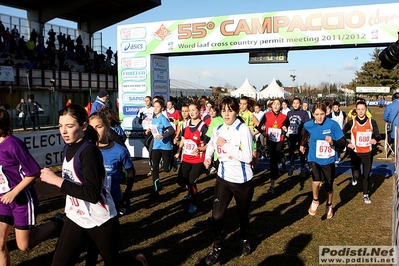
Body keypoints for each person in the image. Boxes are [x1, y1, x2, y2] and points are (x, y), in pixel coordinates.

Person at [40, 104, 119, 265]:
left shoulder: (89, 152)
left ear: (83, 126)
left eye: (69, 126)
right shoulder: (67, 148)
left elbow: (92, 193)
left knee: (114, 262)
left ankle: (138, 262)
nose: (63, 131)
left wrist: (56, 180)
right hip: (76, 216)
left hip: (100, 219)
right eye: (61, 126)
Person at [0, 109, 61, 266]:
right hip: (2, 200)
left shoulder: (12, 144)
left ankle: (58, 222)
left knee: (24, 245)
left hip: (21, 199)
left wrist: (14, 192)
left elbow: (33, 172)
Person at [203, 97, 254, 265]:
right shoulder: (217, 128)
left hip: (242, 181)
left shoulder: (243, 129)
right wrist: (208, 157)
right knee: (216, 215)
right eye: (223, 110)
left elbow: (247, 157)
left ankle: (244, 239)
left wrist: (226, 146)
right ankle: (217, 247)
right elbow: (211, 144)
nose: (226, 113)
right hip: (223, 178)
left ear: (236, 111)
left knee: (243, 215)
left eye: (230, 110)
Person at [86, 111, 136, 265]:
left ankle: (136, 262)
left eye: (99, 127)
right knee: (91, 245)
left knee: (109, 244)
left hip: (112, 202)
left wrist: (127, 194)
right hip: (91, 202)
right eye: (91, 127)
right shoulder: (86, 150)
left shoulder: (119, 151)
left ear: (107, 127)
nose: (95, 131)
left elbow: (131, 171)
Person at [300, 102, 346, 219]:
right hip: (314, 157)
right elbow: (305, 132)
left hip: (328, 159)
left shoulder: (333, 125)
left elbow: (342, 143)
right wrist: (302, 144)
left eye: (322, 114)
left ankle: (329, 205)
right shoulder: (309, 125)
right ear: (312, 114)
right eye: (317, 114)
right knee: (316, 180)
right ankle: (315, 200)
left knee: (328, 186)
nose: (319, 117)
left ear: (326, 113)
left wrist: (333, 142)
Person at [343, 101, 381, 204]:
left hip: (368, 152)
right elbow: (341, 134)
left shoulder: (371, 122)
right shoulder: (351, 122)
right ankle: (354, 177)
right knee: (357, 175)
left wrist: (375, 140)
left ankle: (366, 194)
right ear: (356, 110)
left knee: (366, 175)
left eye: (362, 109)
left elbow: (378, 135)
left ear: (366, 110)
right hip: (356, 152)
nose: (360, 111)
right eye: (358, 109)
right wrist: (347, 144)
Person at [174, 102, 208, 213]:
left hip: (198, 159)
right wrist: (179, 152)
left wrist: (200, 149)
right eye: (190, 110)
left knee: (192, 180)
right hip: (186, 158)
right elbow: (183, 140)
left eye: (194, 110)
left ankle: (193, 202)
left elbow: (208, 144)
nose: (191, 112)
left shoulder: (203, 127)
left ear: (199, 111)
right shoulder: (186, 124)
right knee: (181, 181)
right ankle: (190, 193)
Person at [256, 99, 287, 194]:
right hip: (270, 141)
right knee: (272, 161)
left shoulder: (284, 116)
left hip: (280, 141)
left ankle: (281, 157)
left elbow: (287, 127)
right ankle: (272, 185)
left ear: (281, 106)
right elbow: (258, 127)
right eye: (274, 104)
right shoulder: (266, 115)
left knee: (275, 158)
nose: (276, 106)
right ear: (271, 106)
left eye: (278, 104)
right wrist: (264, 133)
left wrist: (284, 130)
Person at [146, 99, 175, 197]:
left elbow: (171, 130)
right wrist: (149, 131)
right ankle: (156, 189)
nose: (155, 108)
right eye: (154, 106)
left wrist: (163, 135)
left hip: (166, 146)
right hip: (156, 146)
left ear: (162, 108)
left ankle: (173, 162)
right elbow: (155, 130)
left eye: (158, 107)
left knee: (166, 169)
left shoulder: (163, 118)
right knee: (155, 168)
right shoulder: (154, 119)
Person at [285, 97, 309, 177]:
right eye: (294, 103)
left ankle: (302, 168)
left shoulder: (303, 113)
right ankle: (292, 166)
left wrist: (301, 123)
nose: (295, 105)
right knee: (291, 150)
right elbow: (286, 123)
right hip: (292, 134)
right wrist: (285, 127)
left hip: (301, 134)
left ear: (300, 104)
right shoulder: (289, 113)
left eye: (297, 103)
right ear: (292, 104)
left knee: (301, 151)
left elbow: (307, 124)